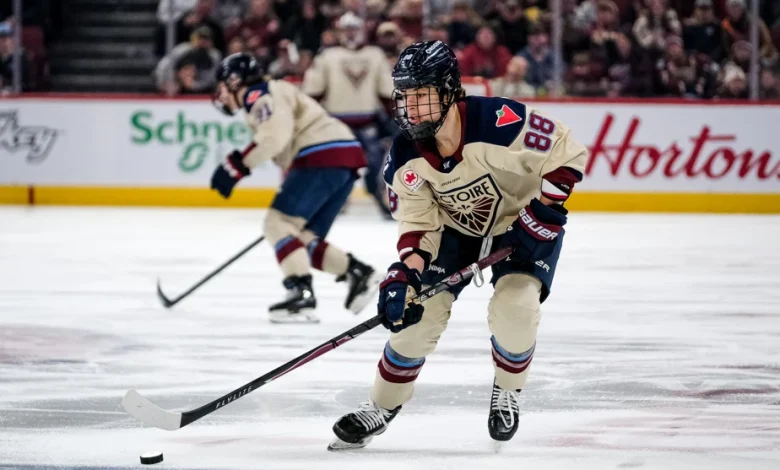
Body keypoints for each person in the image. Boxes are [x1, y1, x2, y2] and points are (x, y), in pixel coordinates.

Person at [328, 41, 588, 450]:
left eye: (422, 96)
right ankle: (382, 405)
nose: (411, 109)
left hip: (521, 224)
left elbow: (566, 153)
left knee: (516, 310)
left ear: (449, 91)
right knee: (417, 317)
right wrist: (405, 272)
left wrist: (543, 214)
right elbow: (418, 223)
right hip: (454, 232)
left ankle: (508, 390)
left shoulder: (499, 121)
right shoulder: (404, 157)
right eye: (405, 97)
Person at [209, 53, 381, 324]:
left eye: (221, 86)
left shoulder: (259, 94)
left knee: (278, 224)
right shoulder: (272, 91)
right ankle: (359, 274)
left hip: (320, 155)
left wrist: (236, 167)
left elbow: (274, 137)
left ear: (234, 81)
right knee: (301, 242)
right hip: (343, 157)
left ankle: (300, 294)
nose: (219, 94)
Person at [302, 12, 395, 219]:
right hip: (337, 123)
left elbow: (387, 91)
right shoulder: (327, 56)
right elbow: (314, 91)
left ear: (362, 30)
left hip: (369, 122)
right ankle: (336, 200)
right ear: (339, 32)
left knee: (376, 166)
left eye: (355, 29)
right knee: (336, 166)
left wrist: (395, 116)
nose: (351, 33)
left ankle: (381, 199)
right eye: (347, 29)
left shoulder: (375, 55)